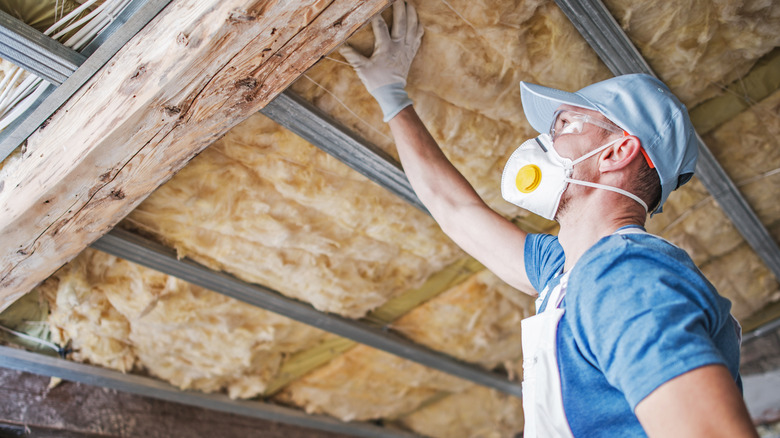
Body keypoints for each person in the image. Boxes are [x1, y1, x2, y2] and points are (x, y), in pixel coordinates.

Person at [339, 2, 758, 437]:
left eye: (566, 125)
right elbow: (456, 210)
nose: (545, 141)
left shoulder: (624, 276)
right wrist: (392, 97)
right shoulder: (566, 272)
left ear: (618, 152)